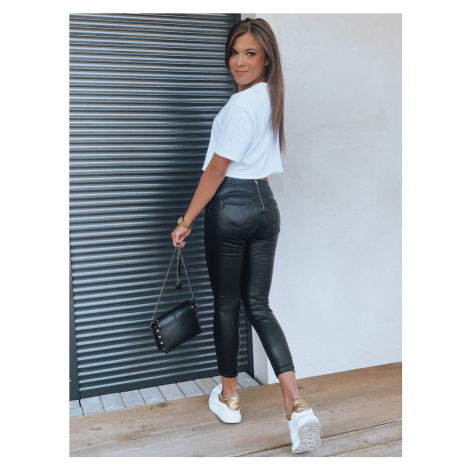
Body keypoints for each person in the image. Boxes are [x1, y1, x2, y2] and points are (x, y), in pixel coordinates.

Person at [171, 18, 321, 453]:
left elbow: (217, 169)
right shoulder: (272, 97)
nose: (239, 61)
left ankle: (230, 397)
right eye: (234, 53)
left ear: (267, 57)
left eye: (250, 53)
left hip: (231, 205)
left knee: (227, 305)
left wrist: (185, 220)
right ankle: (296, 404)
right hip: (264, 206)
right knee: (259, 305)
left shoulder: (240, 105)